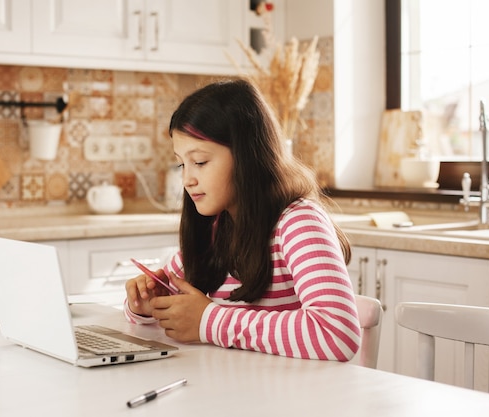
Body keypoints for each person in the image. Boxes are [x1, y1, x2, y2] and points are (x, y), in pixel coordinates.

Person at [124, 78, 361, 361]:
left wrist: (209, 322)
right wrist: (145, 306)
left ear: (247, 156)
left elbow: (337, 333)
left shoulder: (298, 223)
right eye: (181, 163)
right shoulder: (216, 228)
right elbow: (171, 313)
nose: (187, 179)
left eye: (199, 161)